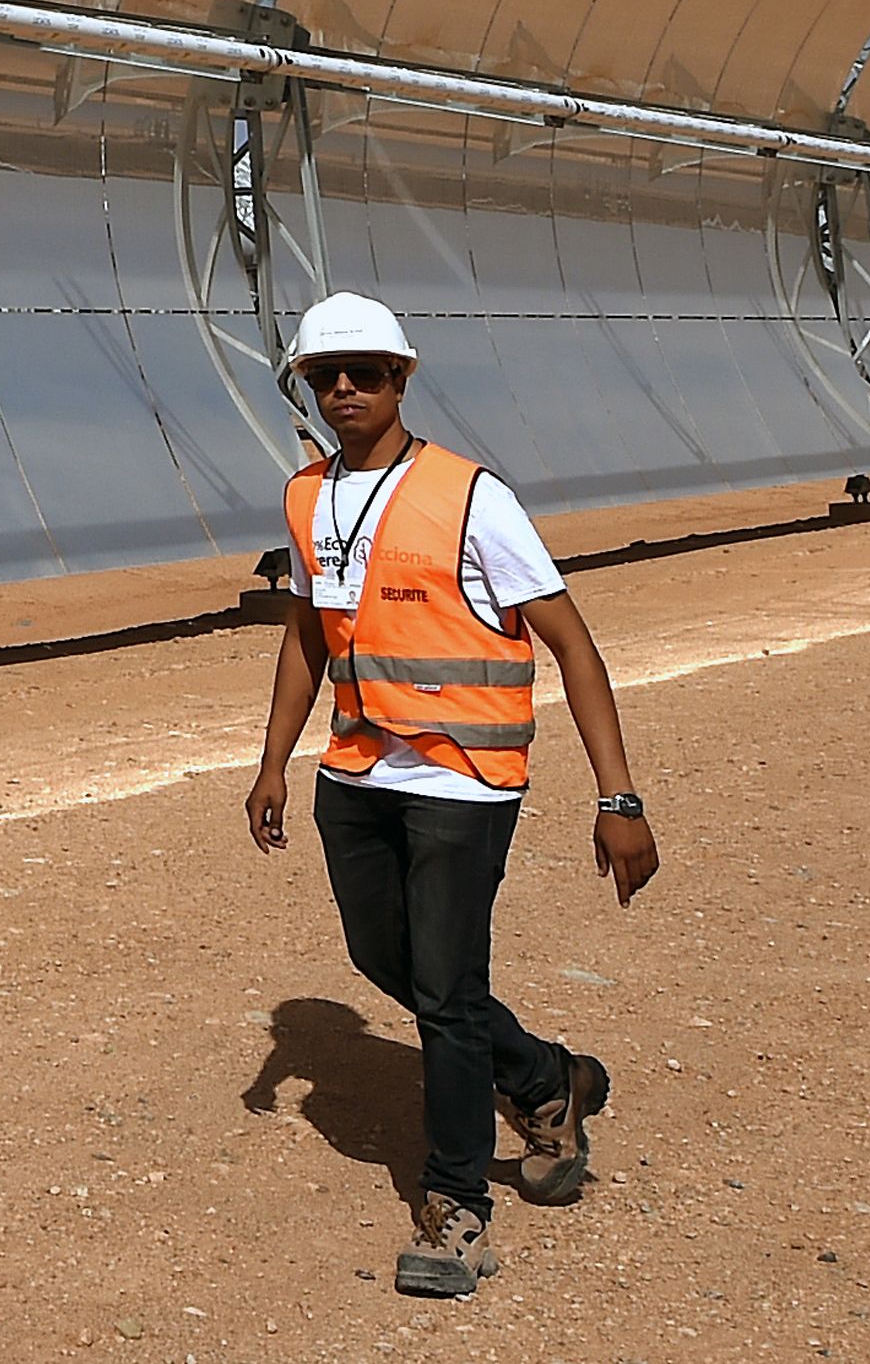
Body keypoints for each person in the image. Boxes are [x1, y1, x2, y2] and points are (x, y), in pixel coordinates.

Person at [242, 290, 659, 1300]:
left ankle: (456, 1200)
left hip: (462, 784)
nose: (343, 387)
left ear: (403, 377)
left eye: (365, 371)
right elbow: (307, 634)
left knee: (443, 987)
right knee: (382, 955)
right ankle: (539, 1075)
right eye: (321, 373)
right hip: (355, 774)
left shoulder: (471, 496)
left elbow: (571, 641)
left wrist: (618, 797)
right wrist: (271, 761)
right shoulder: (306, 496)